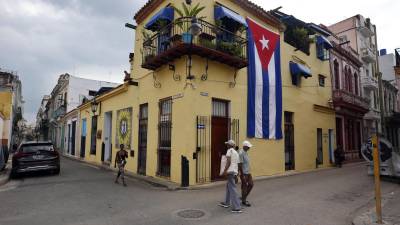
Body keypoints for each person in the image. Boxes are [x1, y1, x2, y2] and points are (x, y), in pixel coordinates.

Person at [218, 140, 242, 213]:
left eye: (227, 144)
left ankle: (237, 207)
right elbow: (238, 164)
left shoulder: (229, 151)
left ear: (229, 145)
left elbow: (228, 161)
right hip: (233, 171)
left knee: (232, 188)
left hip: (230, 171)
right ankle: (226, 203)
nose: (227, 146)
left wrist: (225, 170)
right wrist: (237, 173)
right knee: (229, 186)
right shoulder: (236, 152)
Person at [239, 140, 253, 207]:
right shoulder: (241, 153)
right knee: (244, 187)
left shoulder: (246, 152)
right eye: (248, 147)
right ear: (244, 146)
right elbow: (240, 165)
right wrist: (242, 175)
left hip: (248, 172)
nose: (249, 148)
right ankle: (244, 200)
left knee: (251, 184)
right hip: (244, 173)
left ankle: (243, 197)